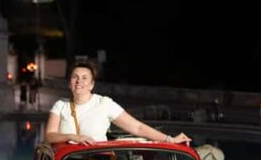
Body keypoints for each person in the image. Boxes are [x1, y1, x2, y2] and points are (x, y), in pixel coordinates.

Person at [44, 61, 192, 145]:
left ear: (91, 84)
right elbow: (50, 136)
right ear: (69, 83)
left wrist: (169, 139)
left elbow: (137, 127)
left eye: (84, 78)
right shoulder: (60, 105)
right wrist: (74, 137)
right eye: (75, 77)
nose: (79, 81)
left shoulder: (104, 104)